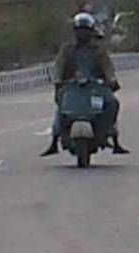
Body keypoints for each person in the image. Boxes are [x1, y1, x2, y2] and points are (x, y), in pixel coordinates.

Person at [41, 12, 126, 156]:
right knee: (62, 108)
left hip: (95, 88)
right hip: (70, 87)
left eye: (85, 31)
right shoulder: (67, 49)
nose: (82, 34)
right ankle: (55, 140)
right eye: (79, 30)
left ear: (91, 32)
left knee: (112, 103)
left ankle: (110, 135)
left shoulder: (98, 50)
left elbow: (107, 67)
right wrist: (58, 81)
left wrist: (111, 80)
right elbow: (59, 66)